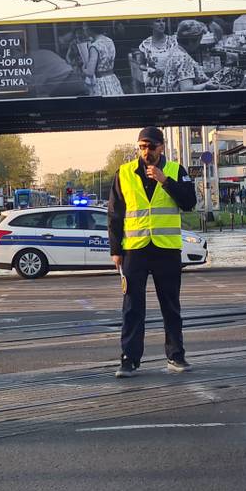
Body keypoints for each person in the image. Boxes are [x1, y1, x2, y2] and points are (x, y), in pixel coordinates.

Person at [108, 126, 197, 378]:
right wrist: (116, 250)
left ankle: (176, 356)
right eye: (142, 147)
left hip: (166, 249)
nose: (146, 151)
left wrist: (164, 181)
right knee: (132, 306)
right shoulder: (124, 173)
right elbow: (115, 214)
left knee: (170, 306)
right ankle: (129, 359)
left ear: (161, 147)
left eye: (151, 146)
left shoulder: (175, 171)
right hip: (134, 250)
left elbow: (189, 203)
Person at [160, 20, 218, 93]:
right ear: (191, 41)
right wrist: (206, 85)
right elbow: (186, 89)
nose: (199, 44)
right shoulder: (183, 58)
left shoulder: (175, 51)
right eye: (199, 40)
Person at [82, 24, 124, 97]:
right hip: (112, 79)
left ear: (90, 29)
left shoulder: (94, 46)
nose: (83, 29)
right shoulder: (109, 41)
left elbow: (90, 72)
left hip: (100, 83)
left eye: (85, 26)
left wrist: (83, 68)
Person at [138, 18, 177, 92]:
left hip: (172, 82)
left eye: (164, 21)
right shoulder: (146, 44)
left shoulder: (173, 42)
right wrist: (152, 70)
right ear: (151, 25)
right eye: (158, 21)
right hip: (153, 85)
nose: (162, 24)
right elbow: (141, 65)